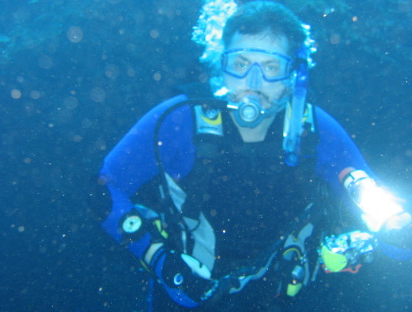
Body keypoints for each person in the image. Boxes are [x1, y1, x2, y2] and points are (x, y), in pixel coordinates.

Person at [93, 1, 412, 311]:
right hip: (189, 296)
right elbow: (102, 188)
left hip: (284, 298)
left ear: (294, 77)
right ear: (221, 65)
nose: (253, 83)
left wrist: (395, 229)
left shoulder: (315, 131)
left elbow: (372, 197)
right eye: (241, 64)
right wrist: (161, 261)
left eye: (271, 67)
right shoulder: (180, 121)